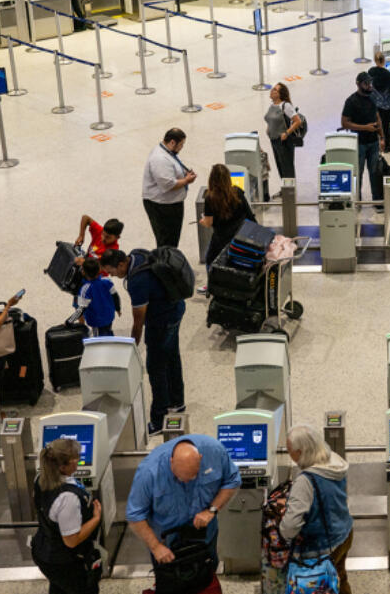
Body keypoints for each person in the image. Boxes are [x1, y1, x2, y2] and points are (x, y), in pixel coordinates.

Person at [100, 249, 187, 435]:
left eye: (112, 271)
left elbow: (138, 321)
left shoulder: (137, 282)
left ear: (122, 264)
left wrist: (132, 346)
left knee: (156, 368)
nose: (112, 276)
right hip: (177, 308)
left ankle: (158, 419)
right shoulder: (137, 255)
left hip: (162, 321)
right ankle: (177, 402)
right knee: (172, 357)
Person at [126, 435, 240, 573]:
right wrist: (155, 547)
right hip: (167, 545)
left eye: (192, 477)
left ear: (201, 458)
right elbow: (135, 515)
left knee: (206, 576)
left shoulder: (215, 452)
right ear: (171, 461)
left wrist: (211, 510)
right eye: (180, 478)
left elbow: (232, 481)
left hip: (204, 536)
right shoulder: (149, 472)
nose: (186, 482)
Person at [279, 425, 355, 594]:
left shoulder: (305, 481)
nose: (288, 453)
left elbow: (290, 527)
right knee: (339, 576)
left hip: (321, 544)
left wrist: (282, 532)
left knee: (321, 581)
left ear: (301, 452)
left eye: (289, 450)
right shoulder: (335, 461)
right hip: (345, 532)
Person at [32, 437, 103, 594]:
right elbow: (71, 540)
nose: (78, 461)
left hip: (44, 549)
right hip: (64, 561)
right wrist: (96, 518)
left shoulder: (41, 478)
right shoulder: (67, 498)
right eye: (75, 459)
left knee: (60, 588)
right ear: (63, 466)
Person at [141, 128, 197, 249]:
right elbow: (167, 185)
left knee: (172, 238)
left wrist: (184, 173)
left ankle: (170, 260)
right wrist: (186, 180)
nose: (182, 147)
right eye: (181, 144)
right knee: (167, 240)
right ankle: (166, 263)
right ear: (172, 142)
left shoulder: (167, 152)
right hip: (162, 206)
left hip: (170, 204)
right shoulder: (159, 159)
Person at [341, 72, 385, 209]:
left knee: (375, 172)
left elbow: (378, 118)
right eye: (366, 83)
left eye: (370, 83)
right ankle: (357, 202)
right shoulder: (351, 101)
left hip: (373, 143)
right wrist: (365, 128)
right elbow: (344, 123)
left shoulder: (372, 98)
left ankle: (377, 202)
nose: (369, 85)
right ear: (359, 84)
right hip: (358, 143)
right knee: (357, 174)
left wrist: (382, 137)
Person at [200, 163, 256, 269]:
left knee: (210, 261)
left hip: (221, 241)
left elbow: (208, 223)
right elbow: (249, 215)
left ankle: (212, 284)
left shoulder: (210, 198)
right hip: (239, 239)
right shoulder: (237, 192)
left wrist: (202, 221)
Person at [265, 82, 304, 179]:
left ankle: (289, 191)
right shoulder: (272, 105)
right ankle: (284, 188)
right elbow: (270, 119)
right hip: (274, 140)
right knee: (280, 166)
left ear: (280, 94)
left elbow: (297, 121)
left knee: (287, 168)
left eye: (275, 90)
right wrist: (268, 129)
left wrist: (287, 133)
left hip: (283, 142)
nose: (272, 91)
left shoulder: (286, 106)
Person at [75, 258, 121, 337]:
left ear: (84, 272)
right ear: (99, 269)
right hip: (109, 316)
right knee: (107, 330)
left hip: (96, 321)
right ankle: (110, 340)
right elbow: (115, 296)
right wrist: (118, 308)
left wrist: (68, 321)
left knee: (99, 339)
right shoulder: (107, 281)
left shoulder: (85, 289)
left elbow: (81, 309)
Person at [368, 52, 390, 143]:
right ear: (384, 61)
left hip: (375, 104)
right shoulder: (388, 74)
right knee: (386, 123)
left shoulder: (371, 71)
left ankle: (377, 138)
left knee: (376, 121)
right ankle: (386, 139)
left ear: (375, 60)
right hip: (387, 105)